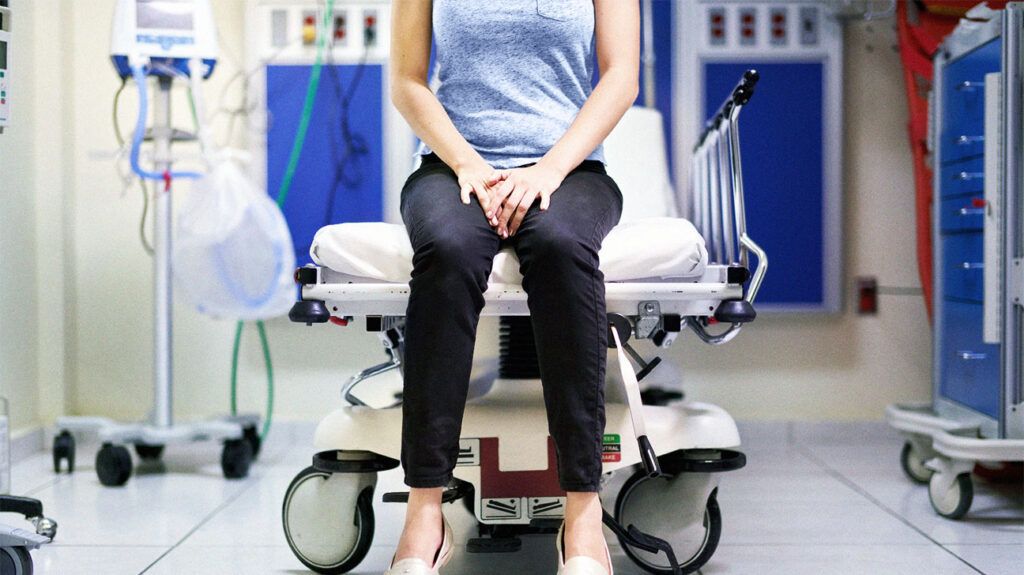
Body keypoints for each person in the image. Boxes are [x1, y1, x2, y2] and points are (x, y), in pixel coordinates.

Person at [387, 1, 639, 573]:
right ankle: (425, 510)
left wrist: (549, 169)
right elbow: (407, 81)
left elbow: (620, 76)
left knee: (559, 247)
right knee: (448, 252)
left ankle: (581, 512)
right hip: (452, 166)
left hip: (570, 170)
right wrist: (468, 164)